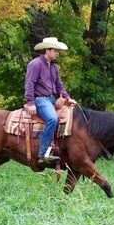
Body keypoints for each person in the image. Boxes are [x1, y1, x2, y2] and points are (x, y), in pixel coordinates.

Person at [24, 37, 77, 166]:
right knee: (52, 119)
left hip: (53, 100)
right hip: (40, 100)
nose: (58, 53)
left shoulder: (54, 67)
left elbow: (59, 86)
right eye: (56, 50)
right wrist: (30, 102)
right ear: (48, 50)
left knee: (72, 116)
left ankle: (59, 149)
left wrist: (68, 98)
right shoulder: (36, 64)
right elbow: (29, 83)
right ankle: (42, 155)